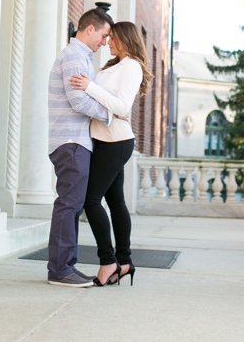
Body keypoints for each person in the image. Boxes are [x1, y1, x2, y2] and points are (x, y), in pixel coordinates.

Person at [68, 21, 152, 287]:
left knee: (91, 200)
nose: (108, 42)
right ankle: (124, 261)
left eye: (113, 38)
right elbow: (110, 105)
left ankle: (108, 261)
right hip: (103, 139)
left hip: (115, 141)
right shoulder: (114, 66)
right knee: (116, 203)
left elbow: (121, 105)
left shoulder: (132, 66)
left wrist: (89, 87)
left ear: (127, 39)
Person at [46, 8, 117, 287]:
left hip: (74, 141)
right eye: (103, 35)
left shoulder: (80, 56)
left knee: (71, 205)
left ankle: (64, 267)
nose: (104, 42)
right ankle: (61, 270)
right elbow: (79, 101)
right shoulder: (75, 56)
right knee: (69, 205)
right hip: (71, 140)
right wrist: (110, 113)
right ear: (90, 29)